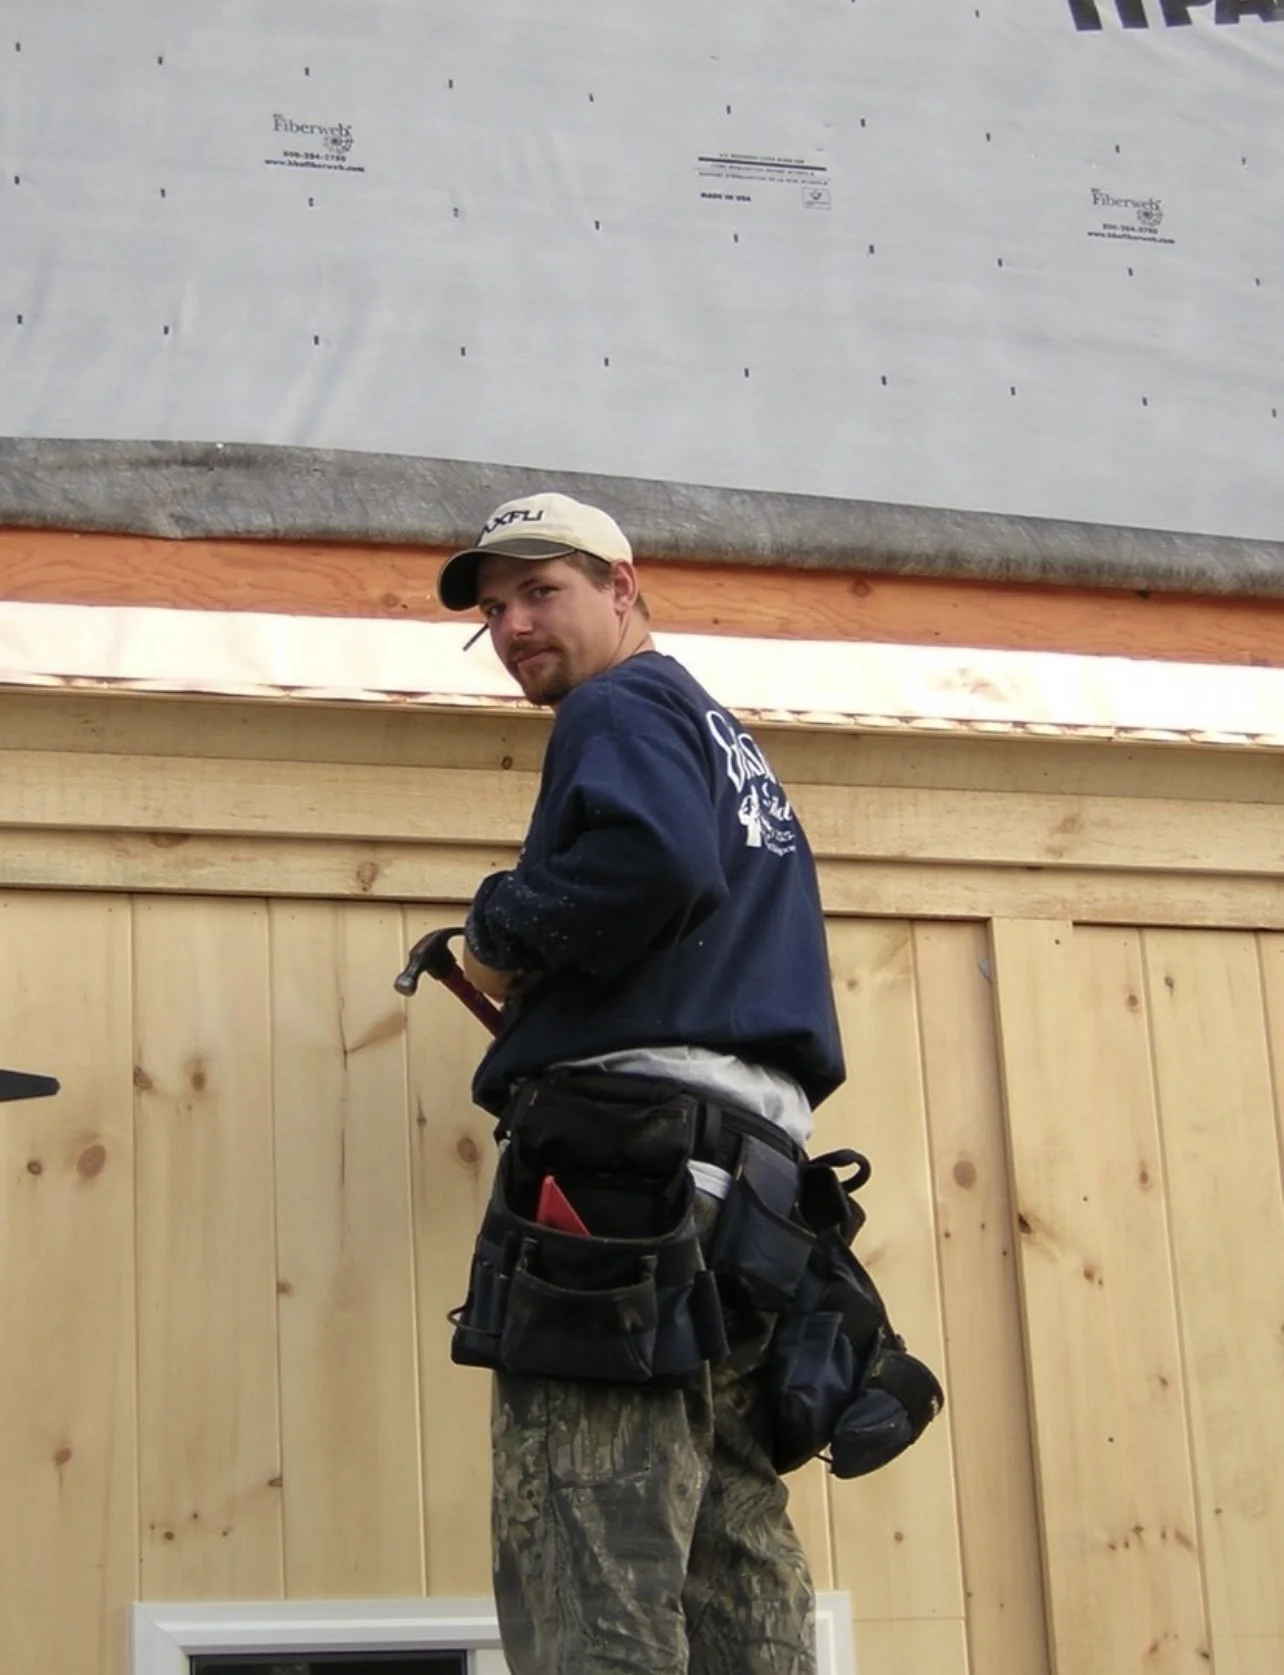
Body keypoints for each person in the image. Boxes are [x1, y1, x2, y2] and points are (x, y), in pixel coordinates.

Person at [437, 491, 846, 1675]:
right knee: (729, 1541)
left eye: (541, 591)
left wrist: (497, 929)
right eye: (494, 610)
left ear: (623, 587)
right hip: (754, 1188)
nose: (514, 626)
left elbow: (650, 864)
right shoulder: (721, 740)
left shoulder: (618, 704)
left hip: (625, 1169)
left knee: (590, 1536)